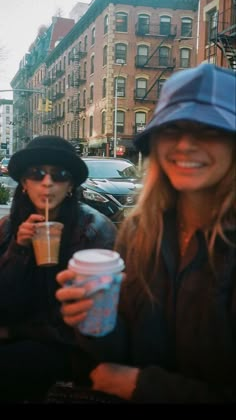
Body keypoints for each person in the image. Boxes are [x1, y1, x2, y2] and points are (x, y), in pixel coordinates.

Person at [56, 64, 236, 403]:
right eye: (172, 129)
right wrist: (91, 321)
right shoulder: (140, 230)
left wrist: (144, 387)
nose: (184, 144)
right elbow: (122, 348)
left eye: (209, 130)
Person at [0, 135, 117, 402]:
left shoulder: (94, 230)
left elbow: (87, 322)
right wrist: (18, 249)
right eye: (37, 174)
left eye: (59, 175)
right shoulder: (9, 227)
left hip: (71, 347)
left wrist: (14, 332)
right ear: (24, 184)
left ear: (70, 185)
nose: (47, 183)